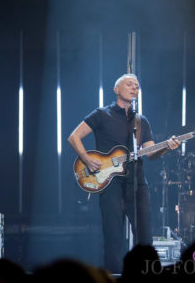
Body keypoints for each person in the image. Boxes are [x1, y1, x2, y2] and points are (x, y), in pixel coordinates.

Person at [68, 73, 180, 274]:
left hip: (137, 183)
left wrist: (166, 147)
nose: (134, 88)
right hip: (110, 184)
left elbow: (150, 153)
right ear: (116, 89)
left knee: (145, 238)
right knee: (113, 239)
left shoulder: (140, 121)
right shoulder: (101, 114)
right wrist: (86, 159)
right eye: (129, 84)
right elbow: (74, 137)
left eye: (137, 85)